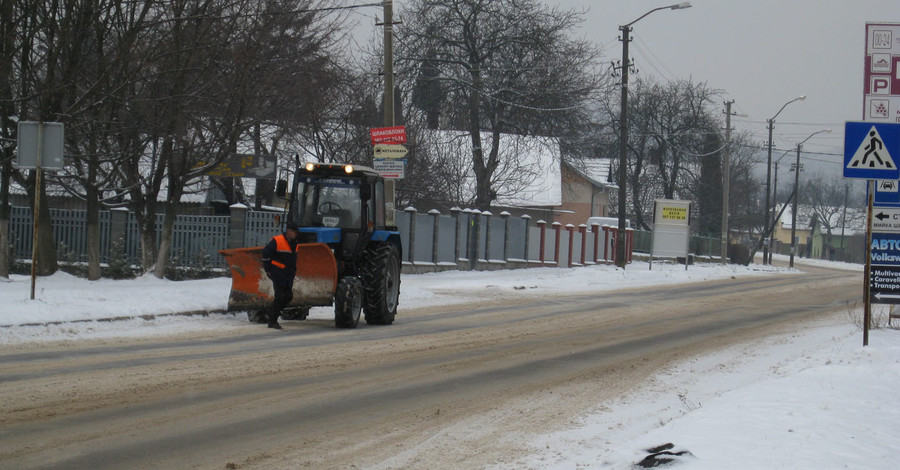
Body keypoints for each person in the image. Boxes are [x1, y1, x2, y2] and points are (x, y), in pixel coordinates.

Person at [261, 223, 300, 330]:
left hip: (288, 275)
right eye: (294, 232)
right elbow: (266, 253)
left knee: (288, 296)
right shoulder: (277, 241)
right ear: (289, 232)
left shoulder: (295, 244)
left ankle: (272, 314)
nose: (296, 235)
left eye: (296, 233)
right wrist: (268, 269)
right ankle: (272, 321)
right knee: (280, 297)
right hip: (278, 273)